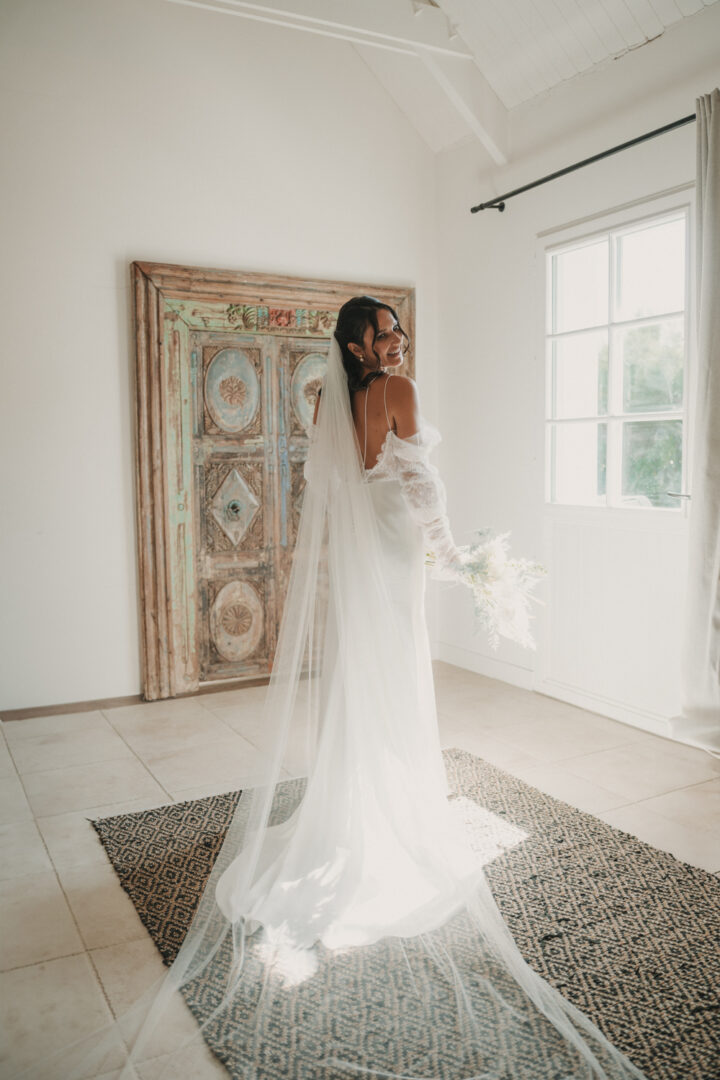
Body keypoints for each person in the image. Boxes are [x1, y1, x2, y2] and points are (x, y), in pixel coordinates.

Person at [11, 297, 651, 1080]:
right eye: (384, 333)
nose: (398, 340)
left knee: (363, 687)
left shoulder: (330, 402)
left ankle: (354, 811)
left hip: (363, 571)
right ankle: (385, 821)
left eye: (398, 330)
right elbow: (422, 495)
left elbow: (335, 487)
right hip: (393, 567)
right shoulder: (398, 392)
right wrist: (458, 562)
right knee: (395, 687)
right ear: (356, 344)